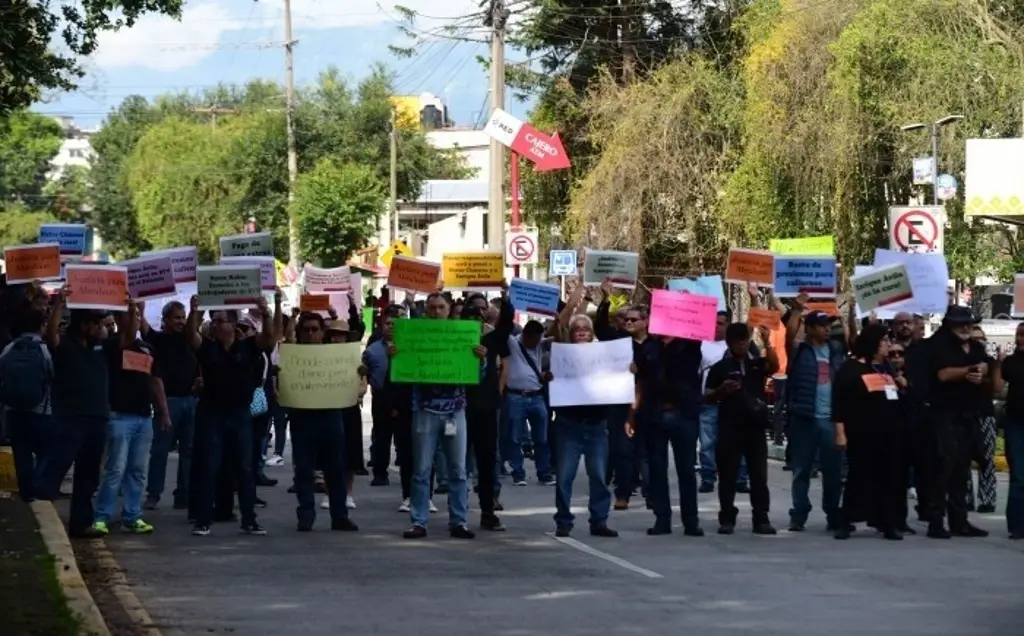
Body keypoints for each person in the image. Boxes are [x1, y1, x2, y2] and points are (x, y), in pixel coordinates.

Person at [391, 292, 486, 539]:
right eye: (431, 308)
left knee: (458, 469)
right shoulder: (414, 338)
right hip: (425, 410)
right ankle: (419, 521)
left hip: (456, 411)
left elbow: (479, 376)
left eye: (440, 307)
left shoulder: (463, 336)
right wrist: (396, 356)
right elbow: (400, 373)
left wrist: (481, 359)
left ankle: (459, 521)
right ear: (425, 311)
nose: (436, 312)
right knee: (422, 469)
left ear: (449, 309)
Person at [187, 291, 282, 537]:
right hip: (212, 414)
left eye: (220, 321)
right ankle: (204, 519)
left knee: (244, 468)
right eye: (214, 321)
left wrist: (268, 312)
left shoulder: (247, 347)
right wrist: (194, 311)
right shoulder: (208, 349)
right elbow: (191, 336)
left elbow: (269, 339)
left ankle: (249, 519)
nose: (215, 325)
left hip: (240, 415)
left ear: (232, 324)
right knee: (210, 466)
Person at [92, 301, 170, 536]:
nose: (136, 318)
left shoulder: (146, 348)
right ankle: (101, 517)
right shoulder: (112, 345)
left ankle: (132, 515)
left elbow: (154, 381)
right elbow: (126, 337)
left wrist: (163, 411)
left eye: (137, 314)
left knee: (137, 470)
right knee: (115, 469)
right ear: (119, 319)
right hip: (119, 417)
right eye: (131, 314)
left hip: (143, 418)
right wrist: (129, 309)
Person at [832, 323, 908, 541]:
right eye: (884, 341)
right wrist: (840, 432)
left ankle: (886, 522)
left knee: (888, 478)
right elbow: (839, 404)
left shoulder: (884, 368)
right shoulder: (851, 369)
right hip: (862, 434)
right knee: (859, 477)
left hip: (889, 433)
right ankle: (846, 521)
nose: (888, 345)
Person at [547, 313, 620, 538]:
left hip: (596, 424)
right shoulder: (560, 356)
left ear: (592, 334)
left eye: (585, 329)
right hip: (569, 424)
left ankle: (599, 521)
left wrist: (629, 371)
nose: (581, 331)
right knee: (564, 476)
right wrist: (547, 377)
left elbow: (618, 378)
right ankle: (563, 521)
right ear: (570, 333)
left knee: (598, 475)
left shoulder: (604, 357)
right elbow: (546, 379)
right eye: (576, 328)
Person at [920, 306, 990, 539]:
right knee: (943, 468)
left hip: (969, 414)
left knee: (962, 470)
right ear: (950, 325)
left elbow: (986, 363)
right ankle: (935, 521)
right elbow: (943, 374)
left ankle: (959, 521)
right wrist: (968, 371)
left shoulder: (976, 346)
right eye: (960, 323)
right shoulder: (937, 346)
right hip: (943, 415)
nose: (966, 327)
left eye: (969, 323)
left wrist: (983, 369)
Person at [287, 311, 359, 532]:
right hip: (302, 418)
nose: (311, 334)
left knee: (335, 468)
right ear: (299, 332)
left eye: (315, 329)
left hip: (330, 417)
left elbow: (353, 378)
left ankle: (339, 516)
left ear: (322, 332)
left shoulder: (336, 356)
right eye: (306, 329)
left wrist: (358, 373)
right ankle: (306, 514)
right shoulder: (292, 356)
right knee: (304, 469)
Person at [630, 323, 704, 537]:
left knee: (686, 470)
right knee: (656, 468)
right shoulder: (650, 348)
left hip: (683, 414)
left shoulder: (689, 345)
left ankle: (691, 520)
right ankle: (662, 518)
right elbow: (641, 380)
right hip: (655, 414)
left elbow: (698, 332)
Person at [704, 323, 778, 535]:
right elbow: (707, 397)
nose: (742, 344)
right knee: (727, 475)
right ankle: (727, 518)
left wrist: (768, 342)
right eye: (737, 340)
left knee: (758, 475)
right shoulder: (720, 368)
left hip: (754, 428)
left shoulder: (755, 364)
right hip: (730, 427)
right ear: (729, 343)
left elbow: (774, 366)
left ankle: (761, 518)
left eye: (744, 339)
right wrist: (722, 390)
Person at [783, 306, 847, 532]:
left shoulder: (837, 351)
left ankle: (833, 513)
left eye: (829, 325)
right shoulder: (800, 351)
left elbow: (855, 342)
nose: (827, 329)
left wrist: (848, 319)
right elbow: (790, 334)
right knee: (801, 470)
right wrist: (797, 310)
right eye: (821, 325)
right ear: (809, 329)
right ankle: (799, 514)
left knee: (833, 472)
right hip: (805, 420)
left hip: (831, 420)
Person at [462, 293, 514, 531]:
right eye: (468, 318)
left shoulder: (492, 340)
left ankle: (487, 511)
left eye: (478, 318)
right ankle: (458, 514)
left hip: (485, 409)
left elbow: (506, 323)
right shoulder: (453, 341)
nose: (474, 323)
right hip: (459, 408)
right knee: (457, 465)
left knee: (486, 462)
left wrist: (506, 299)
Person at [141, 300, 199, 511]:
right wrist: (138, 304)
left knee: (189, 450)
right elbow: (142, 323)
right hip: (168, 402)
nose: (181, 322)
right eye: (176, 318)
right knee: (160, 449)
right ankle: (153, 494)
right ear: (165, 320)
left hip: (191, 401)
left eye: (183, 318)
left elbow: (195, 325)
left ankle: (183, 494)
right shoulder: (157, 339)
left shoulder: (190, 339)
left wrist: (194, 310)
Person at [0, 307, 56, 502]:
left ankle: (26, 492)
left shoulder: (9, 348)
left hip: (14, 412)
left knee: (21, 454)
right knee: (46, 452)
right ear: (41, 326)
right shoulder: (43, 349)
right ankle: (39, 486)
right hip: (40, 411)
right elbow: (52, 375)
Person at [699, 310, 749, 495]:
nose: (716, 327)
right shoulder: (702, 345)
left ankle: (740, 478)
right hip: (709, 401)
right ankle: (708, 477)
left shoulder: (737, 348)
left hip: (735, 404)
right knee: (707, 443)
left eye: (720, 323)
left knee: (739, 442)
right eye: (713, 323)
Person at [504, 320, 555, 486]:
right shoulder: (512, 343)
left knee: (542, 438)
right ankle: (518, 473)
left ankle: (544, 472)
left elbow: (559, 336)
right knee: (514, 437)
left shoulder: (540, 344)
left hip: (537, 396)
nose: (535, 343)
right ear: (525, 335)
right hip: (515, 396)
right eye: (532, 339)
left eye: (537, 339)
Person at [995, 322, 1024, 539]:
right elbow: (998, 388)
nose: (1020, 339)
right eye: (1019, 335)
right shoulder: (1012, 363)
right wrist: (997, 365)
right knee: (1019, 475)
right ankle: (1016, 525)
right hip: (1016, 422)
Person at [965, 326, 997, 514]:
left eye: (981, 339)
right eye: (974, 339)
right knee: (963, 459)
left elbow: (998, 387)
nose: (978, 342)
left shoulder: (990, 362)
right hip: (966, 414)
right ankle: (966, 498)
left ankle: (987, 499)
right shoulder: (963, 361)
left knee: (986, 459)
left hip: (985, 414)